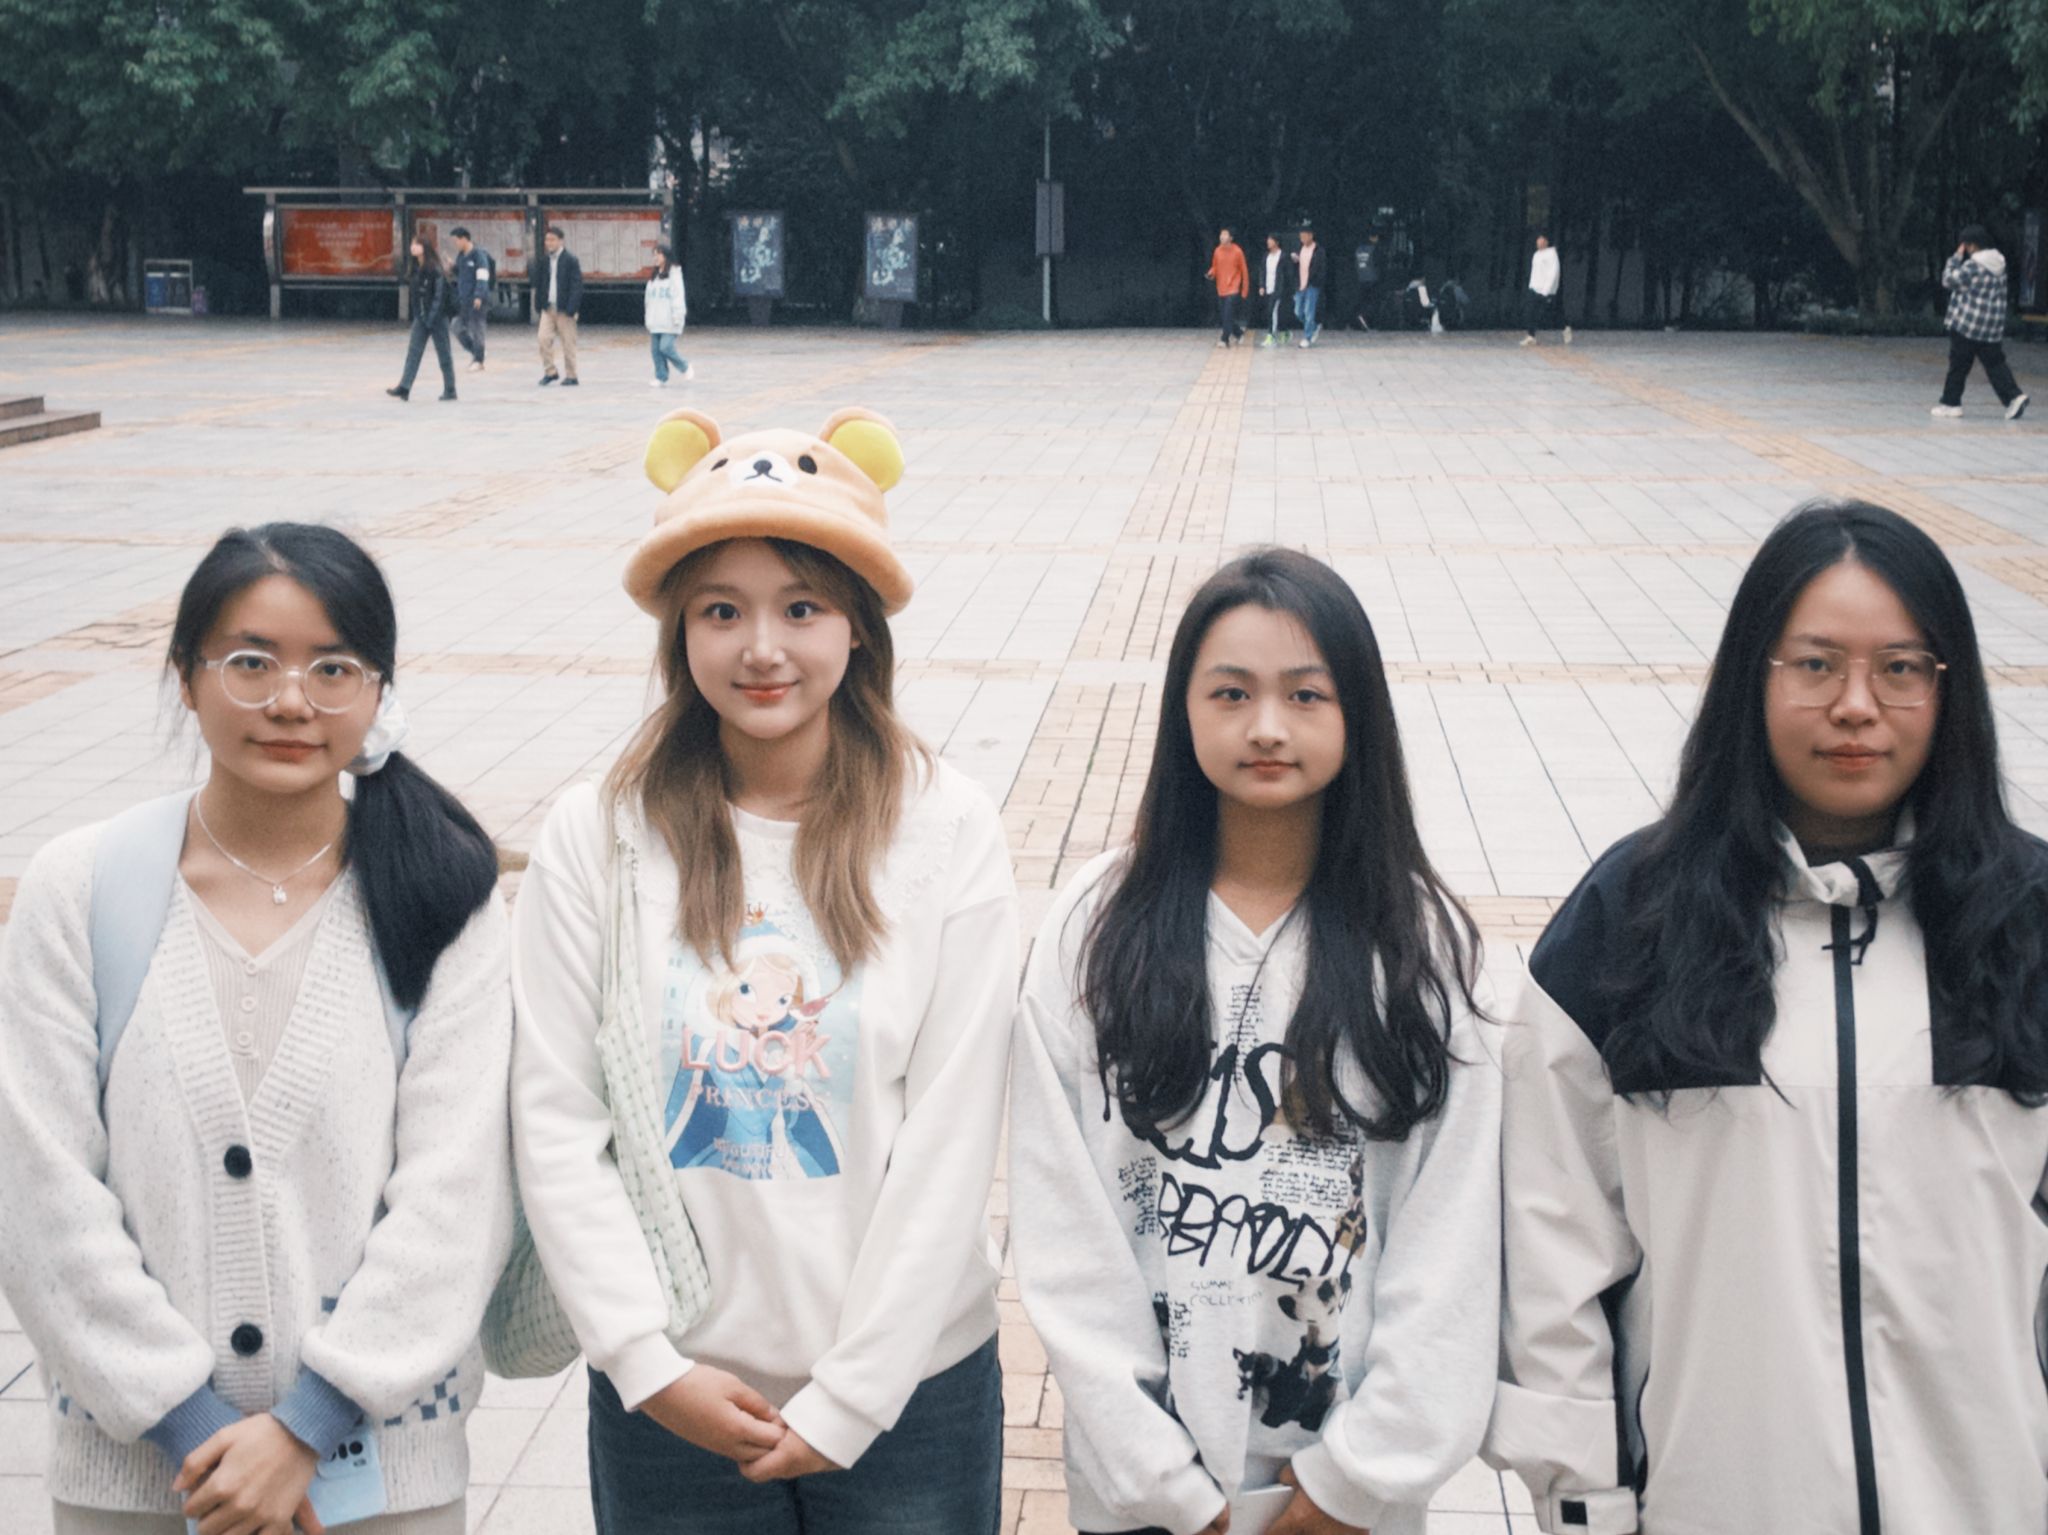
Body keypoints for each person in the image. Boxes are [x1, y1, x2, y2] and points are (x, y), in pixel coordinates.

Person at [1486, 499, 2048, 1533]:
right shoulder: (1630, 923)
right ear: (1754, 677)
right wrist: (1583, 1499)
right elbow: (1551, 1247)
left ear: (1948, 687)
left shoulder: (2024, 921)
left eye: (1900, 667)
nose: (1855, 705)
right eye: (1815, 664)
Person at [512, 406, 1019, 1535]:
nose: (761, 648)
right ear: (678, 630)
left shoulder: (947, 827)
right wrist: (645, 1361)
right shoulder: (599, 834)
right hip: (673, 1399)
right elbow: (555, 1113)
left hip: (913, 1396)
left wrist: (852, 1397)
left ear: (858, 626)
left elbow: (951, 1135)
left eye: (801, 606)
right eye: (720, 610)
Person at [0, 522, 513, 1535]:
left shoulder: (442, 895)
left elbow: (459, 1196)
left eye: (333, 667)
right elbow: (38, 1189)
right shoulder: (80, 889)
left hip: (381, 1485)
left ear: (378, 693)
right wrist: (190, 1426)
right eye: (250, 662)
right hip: (139, 1487)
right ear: (185, 678)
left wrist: (307, 1426)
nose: (290, 700)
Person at [1010, 548, 1501, 1535]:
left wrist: (1354, 1480)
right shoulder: (1094, 926)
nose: (1267, 726)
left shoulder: (1425, 950)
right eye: (1230, 692)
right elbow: (1065, 1229)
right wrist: (1168, 1486)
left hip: (1349, 1504)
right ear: (1182, 710)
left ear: (1357, 712)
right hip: (1142, 1498)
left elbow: (1451, 1245)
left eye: (1305, 694)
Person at [1934, 223, 2028, 420]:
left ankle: (1951, 403)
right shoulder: (1999, 263)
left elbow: (1948, 280)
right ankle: (2014, 396)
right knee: (1995, 364)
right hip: (1991, 326)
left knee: (1959, 365)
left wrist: (1955, 258)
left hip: (1968, 324)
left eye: (1965, 245)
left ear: (1972, 245)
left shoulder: (1973, 265)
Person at [386, 234, 457, 402]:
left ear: (425, 247)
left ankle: (450, 389)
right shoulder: (415, 268)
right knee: (413, 353)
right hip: (421, 318)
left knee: (444, 354)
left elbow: (439, 296)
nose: (413, 247)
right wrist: (420, 315)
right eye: (412, 243)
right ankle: (404, 387)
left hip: (437, 318)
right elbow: (416, 296)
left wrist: (431, 317)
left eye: (417, 244)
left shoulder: (435, 269)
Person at [536, 225, 583, 388]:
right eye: (547, 240)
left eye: (552, 240)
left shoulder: (571, 260)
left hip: (565, 309)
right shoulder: (544, 260)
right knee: (543, 339)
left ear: (561, 241)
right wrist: (539, 304)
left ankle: (571, 375)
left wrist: (572, 308)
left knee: (568, 343)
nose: (549, 243)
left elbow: (577, 286)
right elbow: (540, 283)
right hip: (548, 308)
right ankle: (550, 371)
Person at [645, 242, 693, 387]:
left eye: (658, 254)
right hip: (655, 320)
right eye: (654, 255)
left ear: (666, 256)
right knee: (655, 351)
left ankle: (684, 367)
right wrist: (648, 318)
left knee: (665, 347)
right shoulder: (654, 277)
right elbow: (648, 299)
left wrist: (678, 316)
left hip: (670, 320)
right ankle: (661, 377)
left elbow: (678, 296)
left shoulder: (674, 274)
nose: (656, 258)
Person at [450, 226, 493, 372]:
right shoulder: (461, 256)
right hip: (464, 299)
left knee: (477, 329)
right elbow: (462, 274)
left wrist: (479, 295)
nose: (455, 244)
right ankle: (476, 351)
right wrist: (453, 268)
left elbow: (483, 276)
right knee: (456, 326)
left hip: (477, 299)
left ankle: (478, 360)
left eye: (456, 241)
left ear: (464, 239)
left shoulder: (478, 255)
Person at [1520, 234, 1570, 346]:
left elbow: (1553, 272)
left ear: (1546, 242)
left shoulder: (1551, 254)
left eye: (1541, 240)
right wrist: (1531, 285)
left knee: (1550, 313)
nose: (1539, 243)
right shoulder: (1536, 254)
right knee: (1530, 311)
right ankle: (1531, 336)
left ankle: (1565, 327)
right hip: (1534, 288)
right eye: (1538, 240)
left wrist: (1547, 290)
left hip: (1546, 290)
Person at [1206, 228, 1249, 347]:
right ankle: (1239, 333)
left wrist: (1244, 290)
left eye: (1225, 235)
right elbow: (1215, 266)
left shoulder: (1238, 251)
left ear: (1231, 238)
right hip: (1221, 287)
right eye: (1221, 234)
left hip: (1233, 287)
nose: (1222, 237)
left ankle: (1224, 339)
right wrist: (1211, 273)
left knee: (1227, 314)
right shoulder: (1217, 251)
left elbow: (1244, 271)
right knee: (1225, 315)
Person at [1294, 227, 1328, 348]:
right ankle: (1313, 327)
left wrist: (1316, 281)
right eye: (1300, 236)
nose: (1302, 239)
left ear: (1311, 236)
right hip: (1300, 284)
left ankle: (1307, 337)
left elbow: (1321, 268)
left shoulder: (1318, 251)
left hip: (1312, 285)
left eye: (1304, 236)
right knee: (1298, 311)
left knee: (1309, 312)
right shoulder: (1300, 248)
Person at [1259, 233, 1294, 347]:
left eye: (1271, 240)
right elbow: (1262, 271)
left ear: (1277, 242)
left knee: (1272, 311)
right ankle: (1285, 332)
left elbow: (1289, 274)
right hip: (1268, 287)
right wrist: (1262, 286)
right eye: (1268, 239)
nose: (1268, 242)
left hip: (1279, 289)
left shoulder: (1283, 256)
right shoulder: (1266, 256)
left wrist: (1287, 289)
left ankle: (1271, 336)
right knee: (1275, 313)